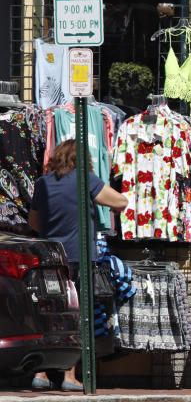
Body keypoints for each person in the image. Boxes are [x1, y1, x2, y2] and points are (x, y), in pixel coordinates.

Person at [27, 139, 129, 392]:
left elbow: (34, 222)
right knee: (75, 316)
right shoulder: (85, 179)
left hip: (48, 257)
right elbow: (120, 202)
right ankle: (69, 376)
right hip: (77, 257)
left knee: (48, 315)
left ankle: (40, 373)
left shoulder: (42, 183)